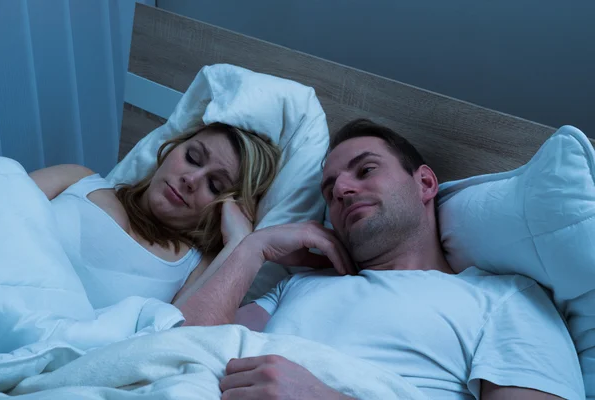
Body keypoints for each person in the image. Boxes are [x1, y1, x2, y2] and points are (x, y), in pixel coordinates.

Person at [179, 119, 585, 400]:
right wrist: (254, 247)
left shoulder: (506, 299)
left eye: (365, 170)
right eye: (329, 188)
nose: (341, 189)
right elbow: (178, 344)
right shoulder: (299, 286)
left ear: (425, 183)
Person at [29, 122, 281, 309]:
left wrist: (239, 241)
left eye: (215, 186)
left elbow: (179, 339)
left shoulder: (194, 270)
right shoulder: (78, 180)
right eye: (192, 157)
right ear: (172, 148)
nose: (191, 179)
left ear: (227, 208)